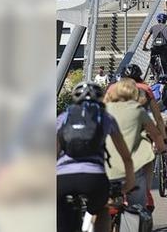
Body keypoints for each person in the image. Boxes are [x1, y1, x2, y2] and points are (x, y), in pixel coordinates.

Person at [57, 82, 136, 232]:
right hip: (94, 178)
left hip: (63, 179)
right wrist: (129, 183)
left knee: (60, 214)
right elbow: (126, 157)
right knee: (102, 209)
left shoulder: (63, 117)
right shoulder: (105, 117)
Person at [105, 78, 167, 209]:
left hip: (105, 168)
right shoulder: (137, 109)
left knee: (101, 209)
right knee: (138, 207)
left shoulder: (103, 109)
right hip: (130, 168)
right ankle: (145, 199)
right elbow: (156, 130)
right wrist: (163, 147)